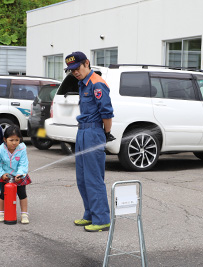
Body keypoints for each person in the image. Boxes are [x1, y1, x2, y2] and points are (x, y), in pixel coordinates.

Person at [64, 51, 115, 232]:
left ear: (86, 63)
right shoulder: (82, 83)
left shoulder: (97, 83)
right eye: (71, 70)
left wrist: (106, 133)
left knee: (93, 178)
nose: (75, 72)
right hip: (83, 131)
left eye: (77, 68)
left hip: (94, 132)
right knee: (82, 178)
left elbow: (107, 113)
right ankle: (90, 214)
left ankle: (102, 219)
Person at [0, 125, 32, 224]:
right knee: (3, 194)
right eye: (11, 140)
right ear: (5, 139)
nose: (14, 143)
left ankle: (24, 214)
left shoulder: (22, 149)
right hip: (5, 175)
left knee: (22, 194)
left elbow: (23, 163)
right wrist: (1, 174)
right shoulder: (0, 149)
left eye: (17, 140)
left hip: (19, 176)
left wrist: (20, 174)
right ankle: (1, 212)